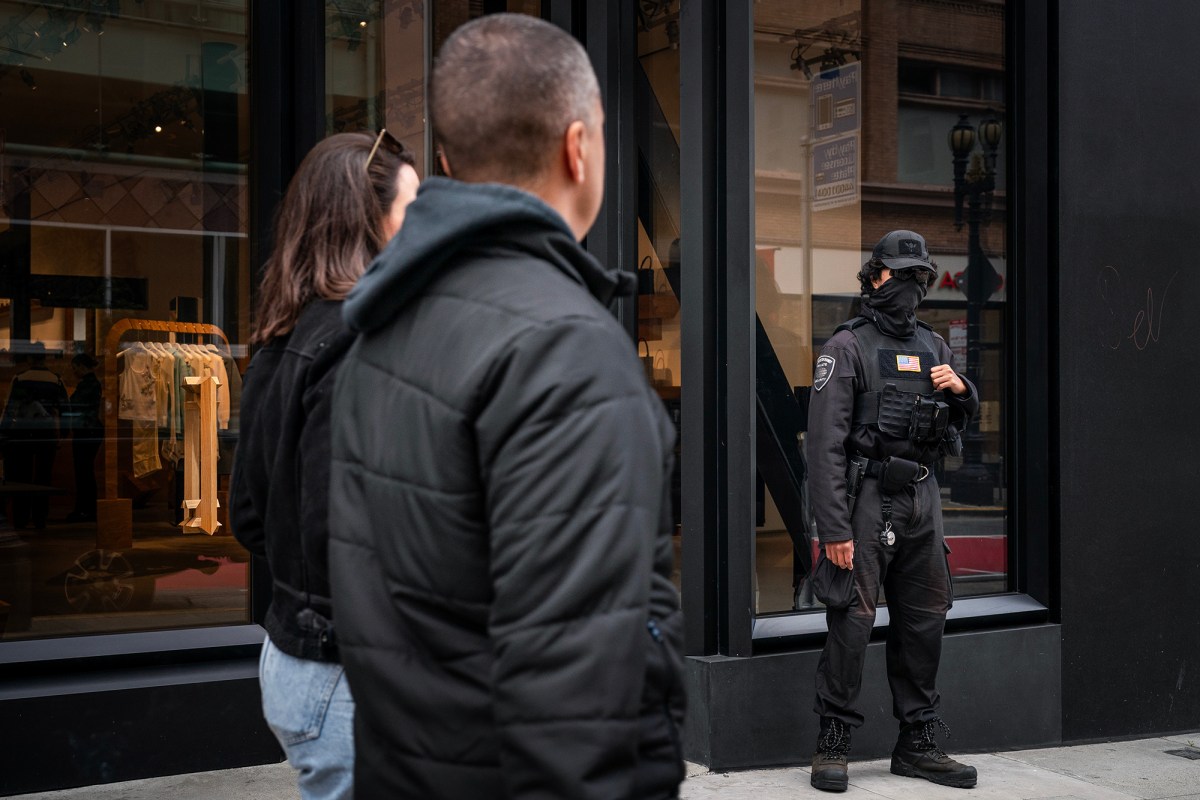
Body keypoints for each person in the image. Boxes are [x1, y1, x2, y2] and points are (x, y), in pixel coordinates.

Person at [327, 14, 685, 800]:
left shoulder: (379, 326)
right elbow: (574, 714)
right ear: (578, 147)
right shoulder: (567, 352)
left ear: (449, 160)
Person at [229, 130, 419, 800]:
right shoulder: (356, 342)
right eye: (412, 210)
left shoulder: (286, 337)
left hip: (299, 666)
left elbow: (251, 517)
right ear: (368, 222)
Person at [806, 230, 980, 792]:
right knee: (853, 621)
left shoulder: (935, 347)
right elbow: (824, 446)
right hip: (867, 498)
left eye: (917, 280)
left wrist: (963, 393)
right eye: (897, 277)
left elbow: (958, 426)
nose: (907, 289)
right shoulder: (846, 347)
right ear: (874, 278)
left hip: (923, 500)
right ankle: (833, 740)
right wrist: (833, 527)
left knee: (925, 621)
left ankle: (918, 742)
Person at [1, 344, 68, 530]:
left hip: (23, 432)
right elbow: (65, 409)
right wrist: (63, 432)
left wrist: (4, 432)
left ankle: (21, 518)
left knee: (22, 476)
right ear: (45, 358)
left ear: (29, 359)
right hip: (46, 432)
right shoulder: (56, 380)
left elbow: (9, 409)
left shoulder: (20, 379)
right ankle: (40, 517)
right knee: (43, 476)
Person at [65, 353, 103, 522]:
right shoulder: (91, 384)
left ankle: (85, 509)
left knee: (83, 471)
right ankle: (87, 509)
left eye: (74, 368)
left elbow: (74, 404)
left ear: (81, 366)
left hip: (86, 431)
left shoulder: (89, 385)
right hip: (90, 430)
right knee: (85, 471)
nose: (73, 372)